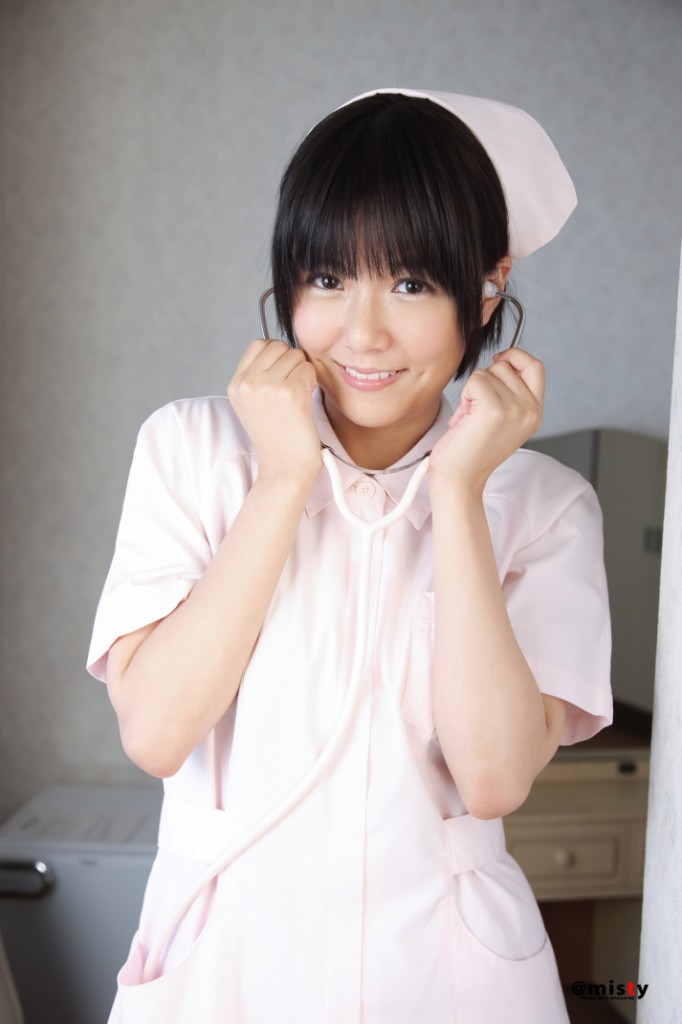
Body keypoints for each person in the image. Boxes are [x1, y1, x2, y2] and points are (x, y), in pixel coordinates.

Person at [88, 88, 612, 1023]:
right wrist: (285, 479)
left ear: (486, 288)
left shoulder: (546, 505)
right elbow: (157, 734)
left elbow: (493, 779)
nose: (362, 334)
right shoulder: (192, 450)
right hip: (227, 971)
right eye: (328, 278)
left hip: (447, 979)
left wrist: (458, 493)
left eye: (410, 284)